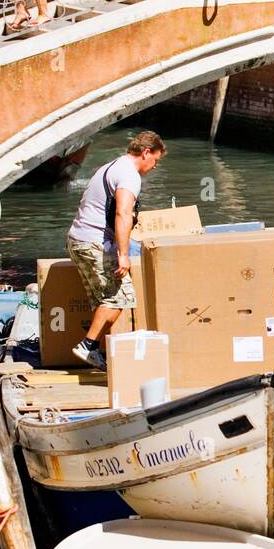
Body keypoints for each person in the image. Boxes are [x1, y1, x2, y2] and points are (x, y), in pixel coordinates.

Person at [65, 131, 165, 370]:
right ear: (146, 152)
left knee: (104, 299)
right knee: (119, 298)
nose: (154, 166)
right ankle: (88, 346)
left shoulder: (112, 166)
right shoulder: (129, 176)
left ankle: (96, 350)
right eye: (155, 160)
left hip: (79, 240)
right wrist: (123, 254)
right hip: (95, 243)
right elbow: (123, 213)